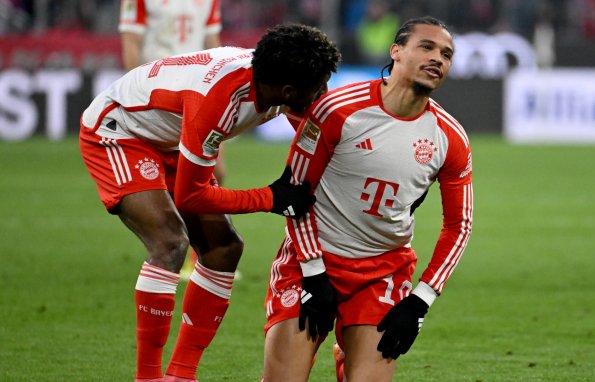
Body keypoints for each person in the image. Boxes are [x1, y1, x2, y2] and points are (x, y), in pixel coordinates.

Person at [78, 24, 341, 382]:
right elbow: (191, 196)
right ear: (289, 91)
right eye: (319, 86)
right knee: (170, 241)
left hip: (172, 137)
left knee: (224, 248)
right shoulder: (220, 100)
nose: (324, 93)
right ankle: (148, 377)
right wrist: (270, 197)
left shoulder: (276, 82)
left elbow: (323, 138)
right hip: (119, 131)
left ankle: (181, 374)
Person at [261, 16, 473, 382]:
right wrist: (314, 273)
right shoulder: (336, 110)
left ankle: (352, 350)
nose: (438, 58)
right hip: (311, 262)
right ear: (396, 52)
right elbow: (295, 195)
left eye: (447, 54)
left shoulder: (449, 137)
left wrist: (420, 301)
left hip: (381, 274)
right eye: (426, 47)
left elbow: (460, 225)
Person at [119, 0, 225, 279]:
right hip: (162, 88)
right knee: (169, 178)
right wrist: (137, 90)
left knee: (217, 171)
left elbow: (212, 40)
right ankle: (169, 251)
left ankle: (198, 258)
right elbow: (131, 41)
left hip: (201, 86)